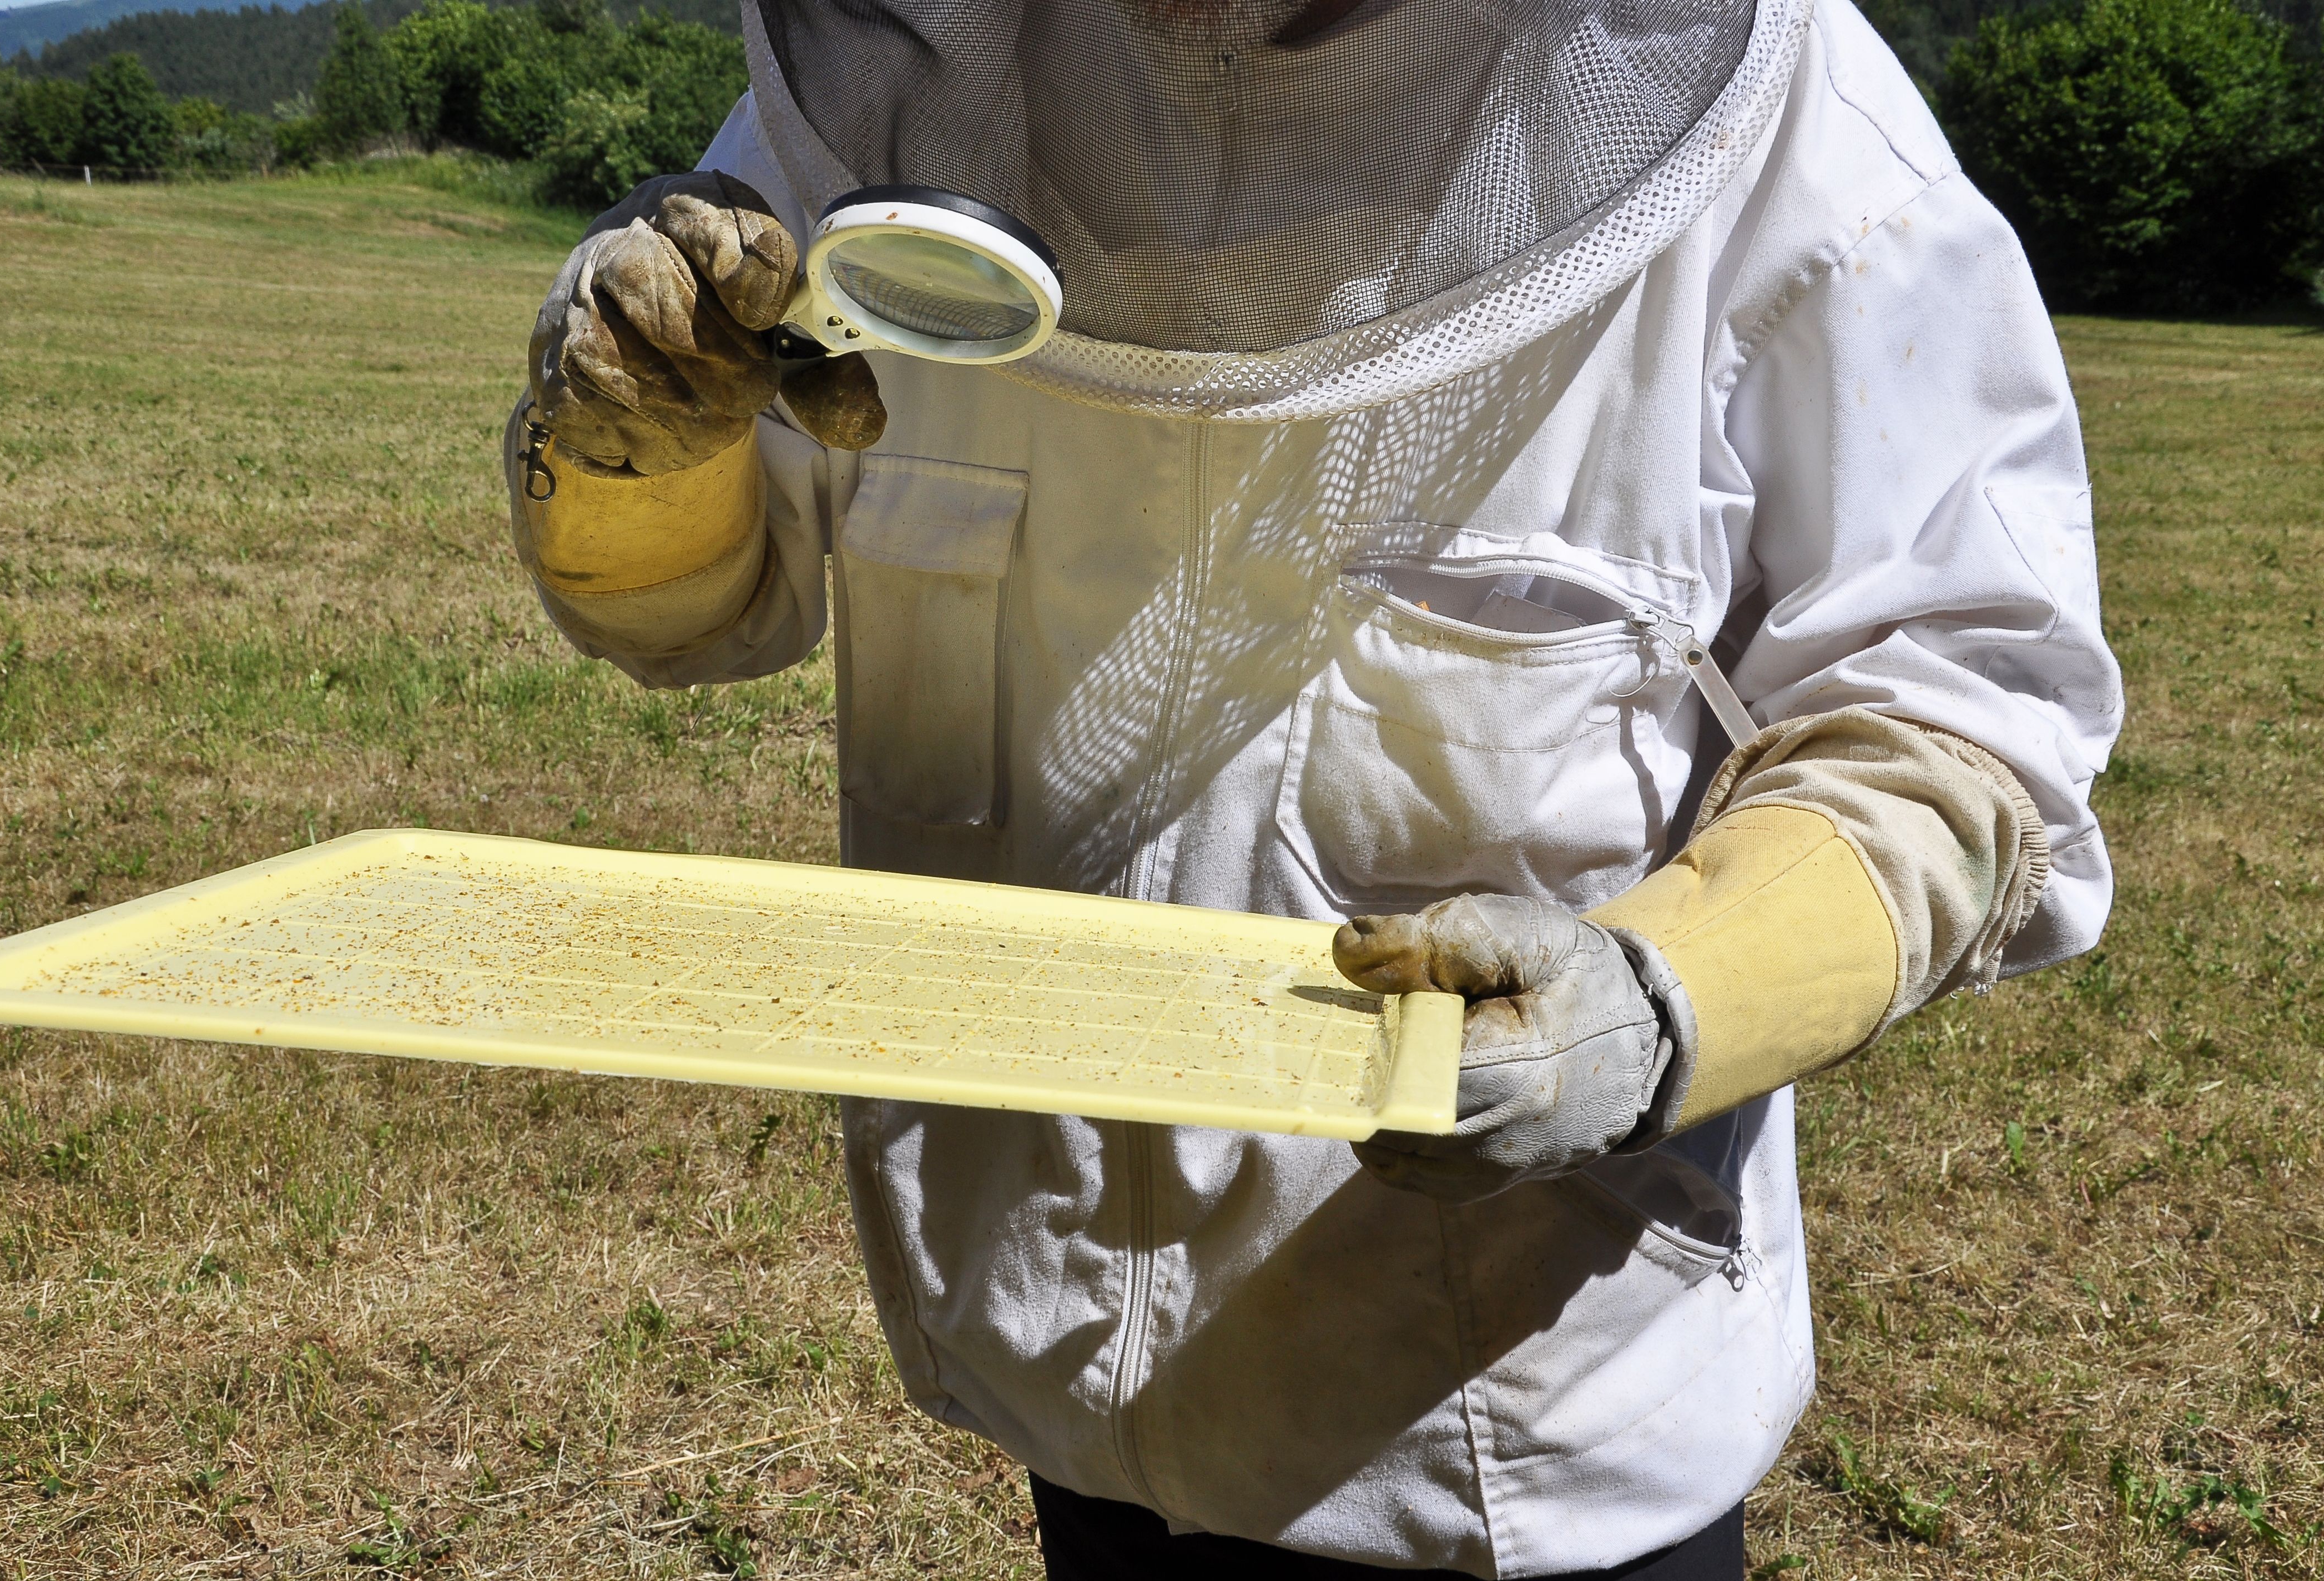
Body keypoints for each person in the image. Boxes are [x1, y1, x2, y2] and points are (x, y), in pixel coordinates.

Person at [504, 0, 2123, 1574]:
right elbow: (706, 603)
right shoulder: (910, 78)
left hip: (1507, 1437)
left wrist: (1666, 995)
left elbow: (1963, 718)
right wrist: (637, 448)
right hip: (1056, 1363)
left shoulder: (1790, 130)